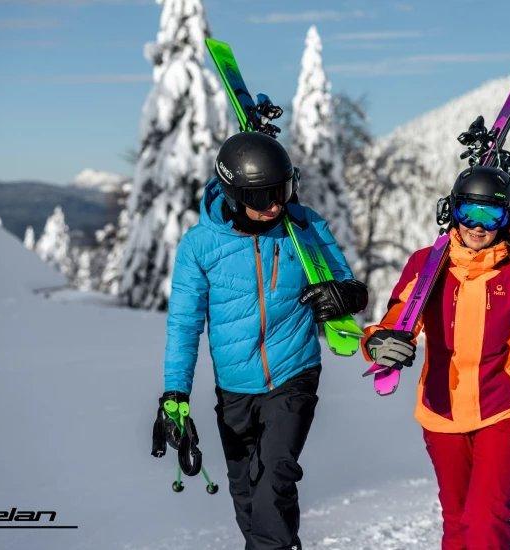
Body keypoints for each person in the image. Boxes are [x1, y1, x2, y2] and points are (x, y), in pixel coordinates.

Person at [151, 131, 368, 550]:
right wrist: (175, 392)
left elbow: (345, 281)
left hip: (294, 373)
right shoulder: (200, 246)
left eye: (281, 191)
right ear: (234, 194)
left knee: (275, 479)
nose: (274, 205)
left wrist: (348, 294)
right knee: (247, 497)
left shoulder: (303, 227)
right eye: (261, 196)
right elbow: (183, 324)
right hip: (234, 387)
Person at [362, 166, 510, 550]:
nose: (479, 227)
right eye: (469, 214)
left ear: (506, 219)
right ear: (453, 212)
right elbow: (397, 321)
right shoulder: (427, 265)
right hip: (441, 413)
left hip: (502, 411)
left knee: (486, 518)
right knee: (456, 517)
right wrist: (378, 343)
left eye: (491, 216)